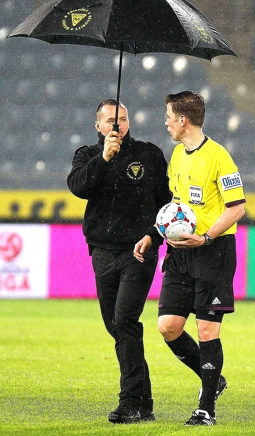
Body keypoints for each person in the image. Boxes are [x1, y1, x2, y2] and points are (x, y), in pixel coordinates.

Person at [134, 91, 246, 426]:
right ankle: (214, 381)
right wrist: (153, 236)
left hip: (213, 252)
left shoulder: (219, 156)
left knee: (207, 329)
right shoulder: (179, 155)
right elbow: (176, 207)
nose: (165, 121)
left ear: (183, 120)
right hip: (180, 254)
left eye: (169, 115)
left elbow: (237, 207)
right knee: (168, 327)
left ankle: (206, 409)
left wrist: (208, 235)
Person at [67, 99, 171, 424]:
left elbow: (167, 203)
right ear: (97, 125)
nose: (118, 125)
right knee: (117, 327)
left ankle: (130, 403)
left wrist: (155, 236)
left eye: (123, 119)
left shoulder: (149, 154)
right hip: (101, 251)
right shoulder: (86, 156)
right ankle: (145, 401)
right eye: (111, 120)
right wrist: (104, 158)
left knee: (125, 321)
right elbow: (78, 187)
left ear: (129, 122)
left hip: (138, 251)